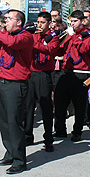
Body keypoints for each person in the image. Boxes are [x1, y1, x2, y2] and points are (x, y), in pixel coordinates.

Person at [0, 9, 33, 174]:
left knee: (14, 122)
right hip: (1, 82)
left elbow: (13, 44)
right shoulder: (3, 36)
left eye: (9, 18)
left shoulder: (25, 36)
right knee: (3, 122)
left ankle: (19, 160)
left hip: (15, 85)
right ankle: (10, 153)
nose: (5, 21)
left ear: (19, 22)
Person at [53, 10, 90, 142]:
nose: (72, 24)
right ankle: (60, 130)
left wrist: (74, 37)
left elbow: (84, 49)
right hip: (66, 70)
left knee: (79, 104)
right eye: (71, 21)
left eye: (75, 21)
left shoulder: (89, 34)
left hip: (81, 72)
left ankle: (77, 131)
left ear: (82, 21)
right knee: (60, 101)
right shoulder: (69, 34)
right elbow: (62, 48)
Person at [24, 12, 60, 151]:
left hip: (44, 74)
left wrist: (35, 43)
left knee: (46, 107)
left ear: (49, 23)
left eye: (42, 22)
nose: (39, 25)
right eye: (38, 22)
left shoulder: (54, 37)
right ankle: (27, 135)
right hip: (31, 73)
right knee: (28, 107)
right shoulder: (33, 35)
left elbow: (49, 49)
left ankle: (48, 138)